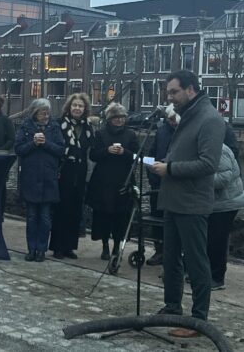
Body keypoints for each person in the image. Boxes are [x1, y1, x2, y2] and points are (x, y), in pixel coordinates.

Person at [149, 70, 224, 334]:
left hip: (192, 203)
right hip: (173, 200)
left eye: (174, 92)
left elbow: (208, 164)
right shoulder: (188, 116)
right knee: (170, 259)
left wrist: (169, 169)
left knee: (196, 262)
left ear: (190, 89)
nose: (169, 97)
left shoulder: (210, 119)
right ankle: (172, 308)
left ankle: (198, 319)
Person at [86, 102, 139, 262]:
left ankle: (117, 245)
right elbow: (93, 155)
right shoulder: (100, 134)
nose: (119, 121)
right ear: (110, 119)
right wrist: (106, 151)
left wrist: (125, 153)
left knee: (121, 215)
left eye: (122, 117)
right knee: (103, 214)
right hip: (103, 180)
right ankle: (104, 246)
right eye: (116, 118)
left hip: (123, 179)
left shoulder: (130, 135)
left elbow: (138, 156)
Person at [14, 98, 65, 262]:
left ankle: (41, 249)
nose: (45, 115)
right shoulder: (25, 127)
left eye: (47, 112)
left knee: (44, 217)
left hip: (48, 178)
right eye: (42, 112)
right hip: (30, 177)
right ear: (35, 113)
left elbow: (60, 150)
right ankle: (31, 249)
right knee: (31, 216)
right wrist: (33, 143)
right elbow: (18, 149)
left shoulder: (55, 127)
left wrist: (45, 143)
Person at [49, 93, 94, 260]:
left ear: (84, 109)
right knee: (62, 208)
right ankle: (57, 246)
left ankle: (70, 246)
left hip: (80, 171)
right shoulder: (60, 124)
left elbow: (90, 148)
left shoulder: (88, 127)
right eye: (74, 105)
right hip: (65, 169)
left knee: (75, 209)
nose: (77, 108)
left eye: (80, 106)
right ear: (69, 107)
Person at [208, 144, 244, 291]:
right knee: (210, 238)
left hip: (227, 203)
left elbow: (223, 179)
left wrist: (198, 177)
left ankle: (217, 278)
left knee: (217, 240)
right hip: (217, 203)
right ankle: (209, 273)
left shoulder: (220, 149)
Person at [146, 105, 179, 266]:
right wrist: (152, 177)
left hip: (176, 186)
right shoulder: (161, 131)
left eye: (174, 119)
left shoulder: (184, 133)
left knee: (173, 221)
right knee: (156, 218)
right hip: (157, 186)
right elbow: (151, 155)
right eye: (169, 118)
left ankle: (174, 254)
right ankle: (159, 250)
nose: (171, 122)